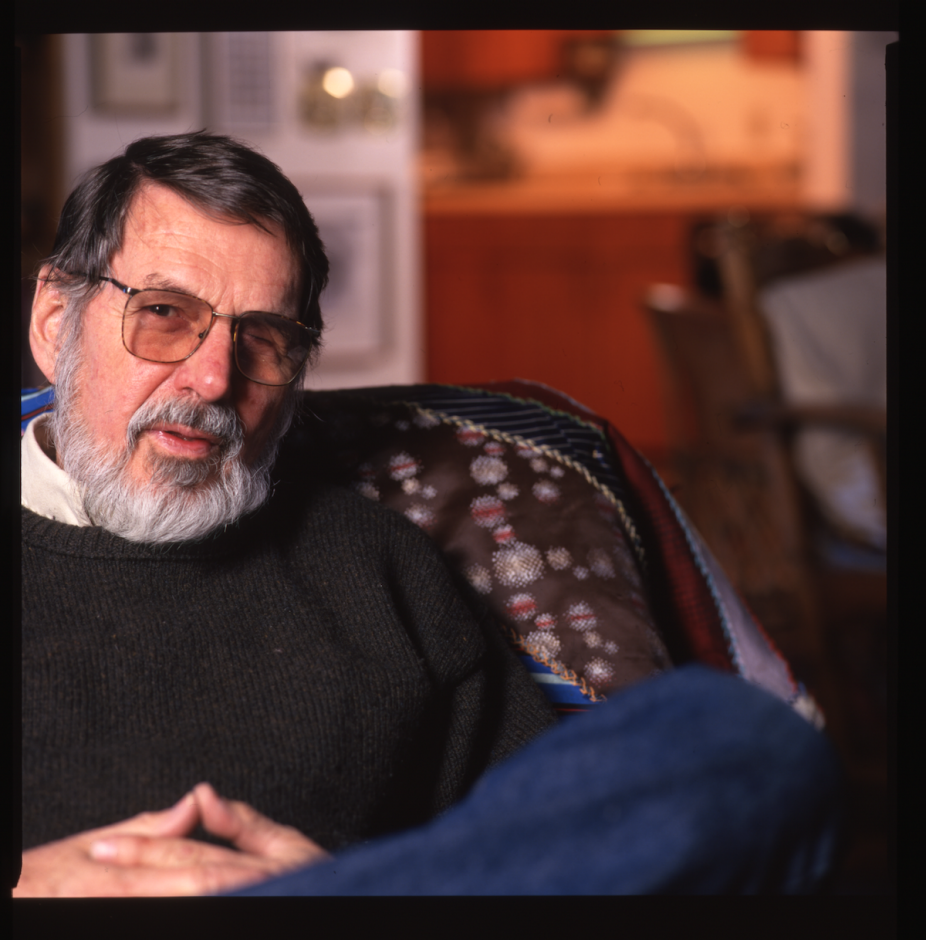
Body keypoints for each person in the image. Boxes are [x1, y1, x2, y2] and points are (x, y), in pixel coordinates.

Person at [17, 131, 843, 897]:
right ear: (57, 324)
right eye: (163, 314)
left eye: (264, 341)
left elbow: (533, 838)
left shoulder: (375, 563)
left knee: (740, 740)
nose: (211, 381)